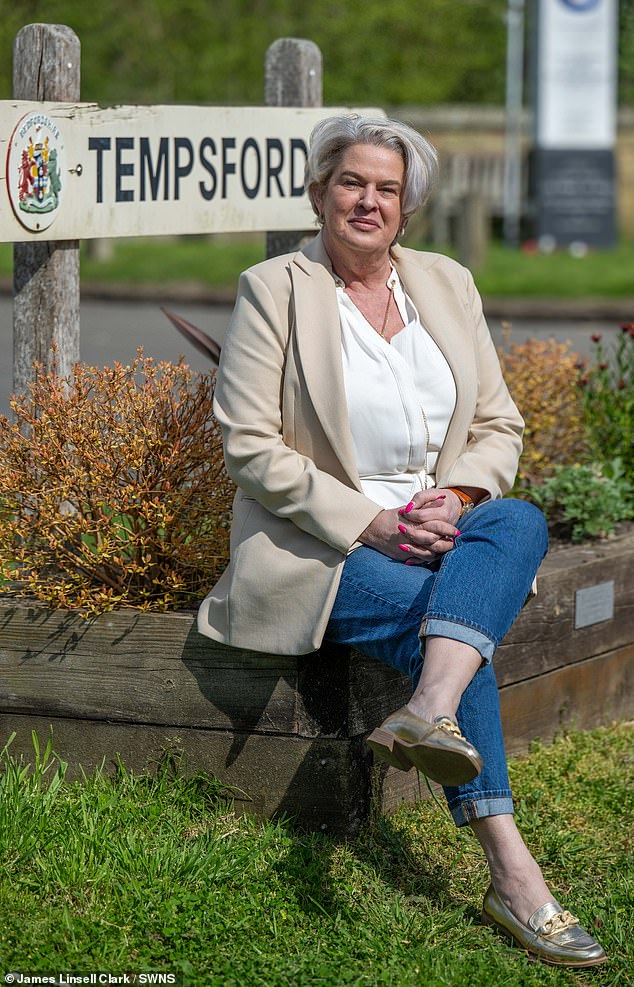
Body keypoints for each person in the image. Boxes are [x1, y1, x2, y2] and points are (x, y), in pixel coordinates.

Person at [198, 115, 606, 968]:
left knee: (519, 517)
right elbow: (248, 442)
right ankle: (515, 874)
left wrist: (455, 500)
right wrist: (372, 521)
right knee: (452, 627)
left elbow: (499, 423)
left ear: (407, 206)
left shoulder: (446, 283)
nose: (368, 201)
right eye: (352, 182)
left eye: (387, 188)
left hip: (443, 532)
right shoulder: (275, 288)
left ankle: (426, 713)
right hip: (325, 548)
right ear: (319, 193)